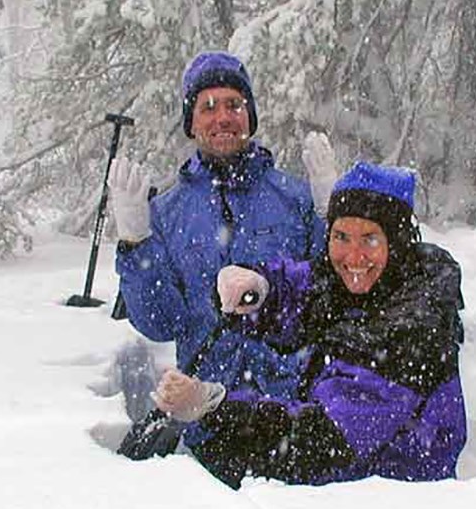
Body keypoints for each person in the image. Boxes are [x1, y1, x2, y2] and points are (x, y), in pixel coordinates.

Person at [154, 162, 468, 488]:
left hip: (392, 494)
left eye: (370, 239)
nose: (353, 256)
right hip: (345, 485)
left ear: (398, 241)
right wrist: (259, 286)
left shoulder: (411, 326)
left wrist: (214, 404)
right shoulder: (370, 282)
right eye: (341, 236)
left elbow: (324, 442)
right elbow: (306, 287)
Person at [109, 51, 337, 451]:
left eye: (234, 104)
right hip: (207, 422)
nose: (223, 117)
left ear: (249, 115)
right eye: (208, 107)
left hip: (294, 416)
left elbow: (330, 292)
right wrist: (135, 242)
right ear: (191, 122)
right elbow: (159, 322)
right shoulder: (167, 212)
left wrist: (329, 215)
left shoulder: (294, 198)